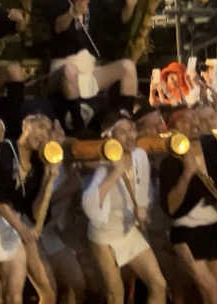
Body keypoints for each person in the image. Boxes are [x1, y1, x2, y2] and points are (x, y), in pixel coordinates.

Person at [0, 111, 59, 304]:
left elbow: (36, 213)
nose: (43, 134)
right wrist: (22, 229)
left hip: (12, 230)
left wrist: (49, 177)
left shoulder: (39, 164)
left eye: (48, 131)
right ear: (25, 124)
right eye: (40, 127)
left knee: (13, 295)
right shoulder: (1, 150)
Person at [82, 112, 166, 303]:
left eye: (132, 130)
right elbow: (90, 206)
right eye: (122, 132)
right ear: (110, 137)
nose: (130, 136)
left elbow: (143, 188)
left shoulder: (140, 155)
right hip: (104, 236)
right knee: (116, 294)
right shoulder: (104, 165)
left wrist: (142, 209)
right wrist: (116, 171)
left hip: (128, 230)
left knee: (158, 284)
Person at [48, 0, 138, 131]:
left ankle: (125, 117)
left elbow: (119, 21)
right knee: (70, 71)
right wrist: (73, 12)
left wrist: (130, 6)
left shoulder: (96, 2)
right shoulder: (58, 2)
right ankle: (78, 124)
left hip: (90, 69)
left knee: (128, 67)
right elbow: (58, 26)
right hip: (62, 70)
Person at [158, 106, 217, 304]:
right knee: (211, 290)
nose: (194, 124)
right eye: (186, 120)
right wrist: (188, 173)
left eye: (194, 119)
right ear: (175, 127)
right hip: (186, 231)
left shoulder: (210, 149)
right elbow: (171, 208)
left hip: (211, 225)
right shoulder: (170, 162)